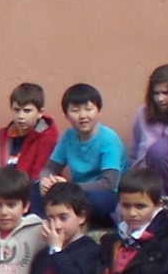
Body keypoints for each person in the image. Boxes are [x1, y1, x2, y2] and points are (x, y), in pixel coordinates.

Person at [37, 83, 127, 224]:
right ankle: (41, 224)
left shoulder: (109, 139)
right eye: (75, 110)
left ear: (98, 111)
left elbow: (108, 184)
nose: (83, 116)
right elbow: (50, 168)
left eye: (88, 109)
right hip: (75, 192)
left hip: (107, 196)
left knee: (92, 200)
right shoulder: (68, 137)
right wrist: (45, 180)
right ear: (67, 115)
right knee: (34, 189)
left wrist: (70, 187)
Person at [0, 84, 58, 205]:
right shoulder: (3, 137)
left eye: (27, 111)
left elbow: (37, 178)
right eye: (16, 110)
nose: (21, 116)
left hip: (28, 199)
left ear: (40, 113)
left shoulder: (46, 139)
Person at [130, 64, 168, 197]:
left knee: (160, 150)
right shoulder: (142, 113)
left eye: (166, 93)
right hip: (142, 182)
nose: (160, 99)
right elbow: (133, 154)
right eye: (156, 93)